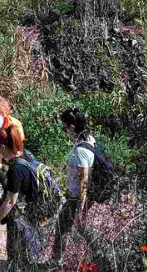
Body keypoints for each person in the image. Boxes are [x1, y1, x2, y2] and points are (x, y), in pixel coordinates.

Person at [0, 125, 44, 270]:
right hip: (33, 208)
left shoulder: (15, 169)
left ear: (3, 147)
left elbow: (10, 201)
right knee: (27, 245)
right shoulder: (26, 154)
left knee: (15, 247)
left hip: (21, 213)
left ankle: (17, 267)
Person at [52, 108, 96, 264]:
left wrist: (81, 207)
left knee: (61, 228)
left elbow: (84, 179)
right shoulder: (90, 139)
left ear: (71, 127)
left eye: (64, 128)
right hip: (77, 197)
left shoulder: (81, 150)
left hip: (76, 198)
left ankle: (56, 263)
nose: (65, 132)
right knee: (73, 229)